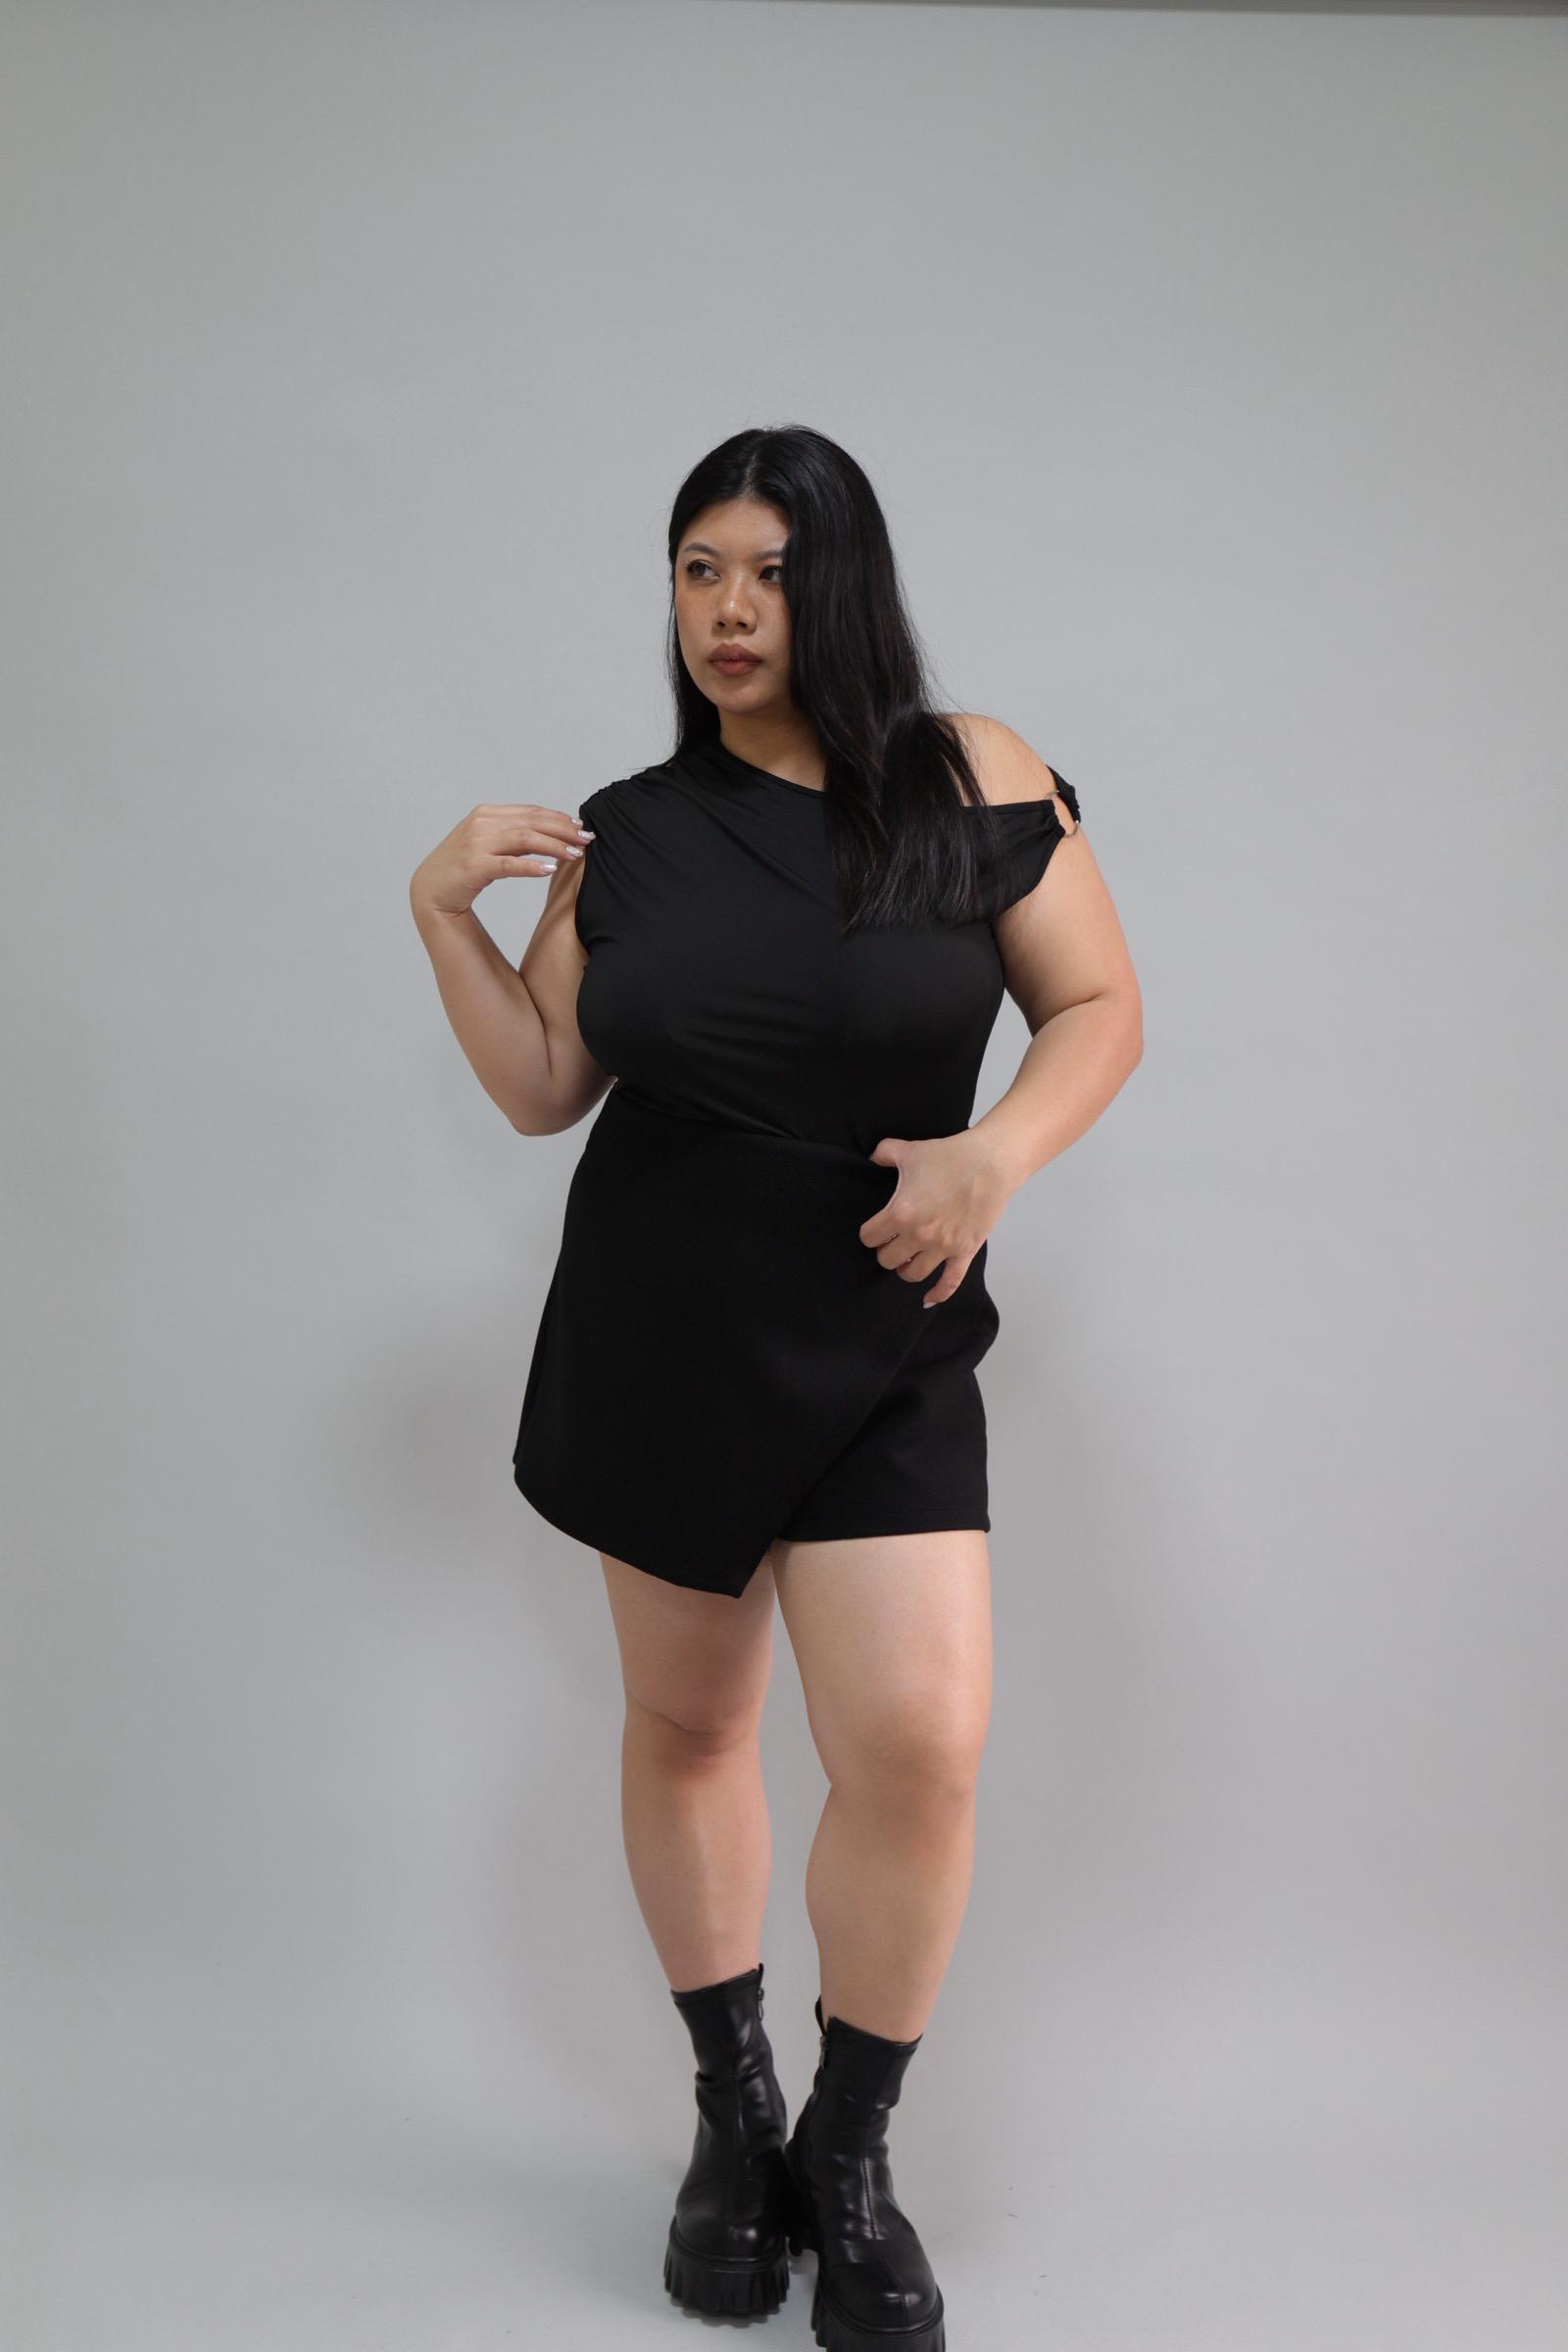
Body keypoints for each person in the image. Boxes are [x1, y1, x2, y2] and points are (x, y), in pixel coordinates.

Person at [410, 425, 1142, 2351]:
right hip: (660, 1330)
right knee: (690, 1726)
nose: (730, 610)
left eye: (770, 571)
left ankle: (852, 2150)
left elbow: (1097, 1006)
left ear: (844, 585)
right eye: (697, 571)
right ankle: (734, 2128)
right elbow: (541, 1084)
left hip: (888, 1327)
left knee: (919, 1744)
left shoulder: (970, 774)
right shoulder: (631, 832)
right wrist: (442, 916)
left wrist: (992, 1158)